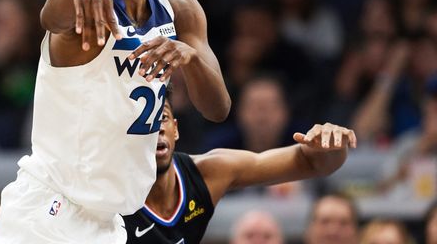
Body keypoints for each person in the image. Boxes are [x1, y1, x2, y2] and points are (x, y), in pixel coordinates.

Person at [0, 0, 231, 244]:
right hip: (49, 211)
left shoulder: (180, 7)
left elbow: (218, 109)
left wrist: (191, 57)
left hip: (109, 221)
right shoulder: (80, 3)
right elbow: (48, 17)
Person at [122, 85, 356, 244]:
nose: (155, 128)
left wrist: (332, 145)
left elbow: (313, 163)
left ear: (176, 128)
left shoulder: (208, 172)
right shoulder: (104, 187)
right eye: (142, 123)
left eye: (161, 117)